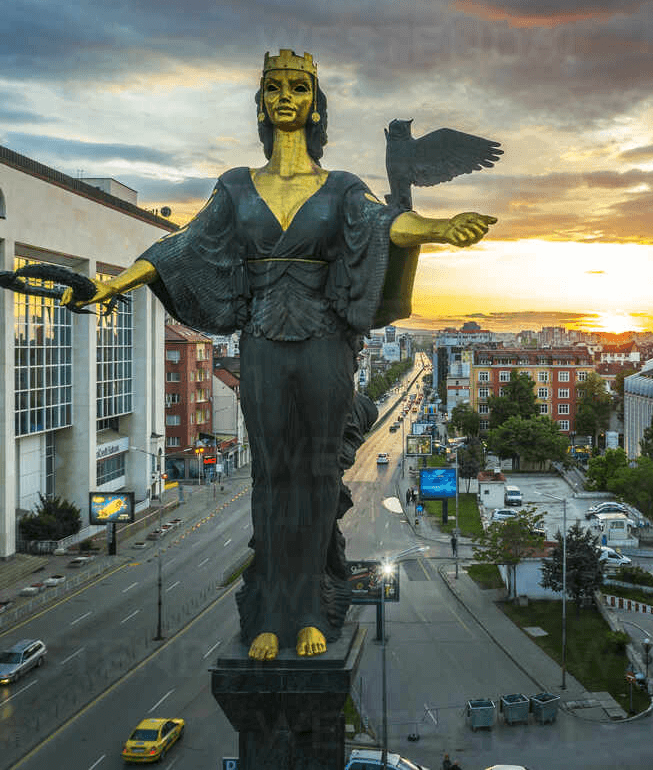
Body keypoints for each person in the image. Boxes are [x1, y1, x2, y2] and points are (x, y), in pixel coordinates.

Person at [66, 49, 495, 661]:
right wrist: (115, 284)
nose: (286, 97)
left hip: (324, 342)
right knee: (272, 474)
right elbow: (184, 245)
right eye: (275, 88)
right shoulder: (236, 186)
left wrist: (439, 228)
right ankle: (270, 610)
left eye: (298, 87)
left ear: (315, 104)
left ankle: (311, 604)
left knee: (317, 472)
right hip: (263, 340)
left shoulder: (341, 187)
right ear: (263, 103)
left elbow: (382, 226)